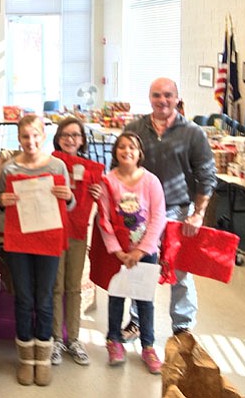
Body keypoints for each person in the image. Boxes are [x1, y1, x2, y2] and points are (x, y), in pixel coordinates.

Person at [122, 78, 217, 340]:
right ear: (149, 98)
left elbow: (207, 176)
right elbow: (118, 168)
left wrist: (198, 214)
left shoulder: (193, 133)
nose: (162, 100)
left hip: (178, 211)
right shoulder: (134, 129)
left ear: (177, 98)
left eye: (167, 95)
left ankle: (182, 328)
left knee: (180, 272)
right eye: (156, 95)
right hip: (140, 213)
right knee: (141, 268)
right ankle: (137, 321)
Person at [0, 114, 75, 386]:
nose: (30, 141)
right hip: (19, 240)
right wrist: (2, 201)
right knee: (24, 298)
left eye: (35, 136)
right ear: (18, 139)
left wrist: (69, 197)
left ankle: (42, 356)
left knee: (44, 298)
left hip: (48, 238)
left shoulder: (57, 166)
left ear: (43, 136)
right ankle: (25, 358)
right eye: (25, 137)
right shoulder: (8, 169)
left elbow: (71, 204)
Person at [96, 133, 166, 374]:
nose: (127, 151)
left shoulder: (151, 181)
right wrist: (117, 251)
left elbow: (158, 218)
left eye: (132, 147)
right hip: (119, 253)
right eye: (122, 147)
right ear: (115, 152)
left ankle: (148, 345)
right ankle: (114, 340)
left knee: (145, 300)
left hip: (145, 251)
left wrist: (141, 250)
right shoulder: (108, 181)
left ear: (139, 153)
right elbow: (103, 219)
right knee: (117, 297)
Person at [50, 117, 102, 366]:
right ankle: (55, 339)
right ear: (58, 137)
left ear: (82, 140)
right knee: (56, 285)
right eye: (65, 135)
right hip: (53, 230)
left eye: (75, 135)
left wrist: (97, 193)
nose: (70, 139)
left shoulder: (90, 169)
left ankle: (74, 338)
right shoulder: (48, 163)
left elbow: (106, 200)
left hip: (78, 231)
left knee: (73, 286)